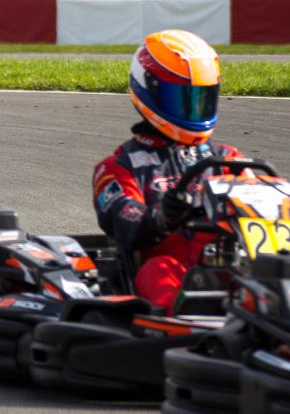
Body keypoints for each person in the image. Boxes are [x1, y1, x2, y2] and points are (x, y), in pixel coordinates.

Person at [92, 30, 243, 311]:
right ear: (148, 90)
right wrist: (162, 217)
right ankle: (185, 320)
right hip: (172, 273)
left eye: (202, 98)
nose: (193, 109)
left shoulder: (228, 160)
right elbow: (125, 219)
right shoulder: (118, 167)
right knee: (157, 270)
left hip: (231, 267)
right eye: (182, 99)